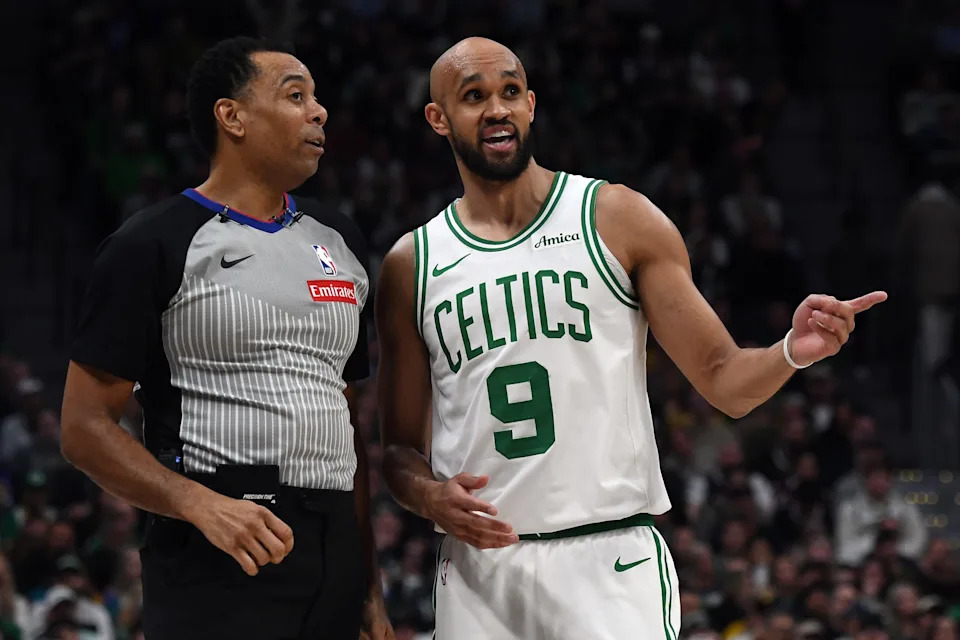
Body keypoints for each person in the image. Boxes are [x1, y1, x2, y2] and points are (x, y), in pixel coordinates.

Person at [375, 37, 886, 639]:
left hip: (608, 557)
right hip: (477, 572)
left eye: (510, 92)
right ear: (438, 118)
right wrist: (430, 498)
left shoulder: (614, 218)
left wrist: (789, 353)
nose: (496, 109)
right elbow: (398, 452)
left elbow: (725, 381)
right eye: (473, 96)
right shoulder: (413, 263)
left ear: (532, 104)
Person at [60, 36, 393, 640]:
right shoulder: (152, 242)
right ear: (231, 116)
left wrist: (368, 585)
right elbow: (83, 429)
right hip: (220, 543)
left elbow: (346, 421)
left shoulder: (341, 238)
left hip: (335, 547)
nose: (318, 111)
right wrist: (197, 504)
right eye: (295, 96)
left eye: (316, 98)